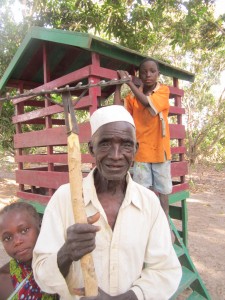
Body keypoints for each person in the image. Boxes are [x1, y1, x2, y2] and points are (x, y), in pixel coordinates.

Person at [32, 105, 182, 300]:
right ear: (91, 148)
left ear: (135, 149)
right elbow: (41, 273)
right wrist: (66, 253)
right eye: (105, 144)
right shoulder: (63, 198)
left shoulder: (149, 203)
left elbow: (165, 270)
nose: (116, 155)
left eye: (126, 145)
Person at [114, 58, 172, 223]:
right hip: (141, 152)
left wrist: (129, 83)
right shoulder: (133, 97)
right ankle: (145, 223)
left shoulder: (162, 91)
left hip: (160, 150)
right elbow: (118, 108)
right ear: (139, 74)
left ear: (158, 74)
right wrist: (119, 86)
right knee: (142, 190)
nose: (148, 75)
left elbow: (147, 104)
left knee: (164, 190)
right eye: (144, 72)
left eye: (152, 71)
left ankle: (164, 222)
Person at [0, 201, 58, 300]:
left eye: (24, 230)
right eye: (8, 238)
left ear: (40, 226)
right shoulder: (3, 280)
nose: (17, 241)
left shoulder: (60, 264)